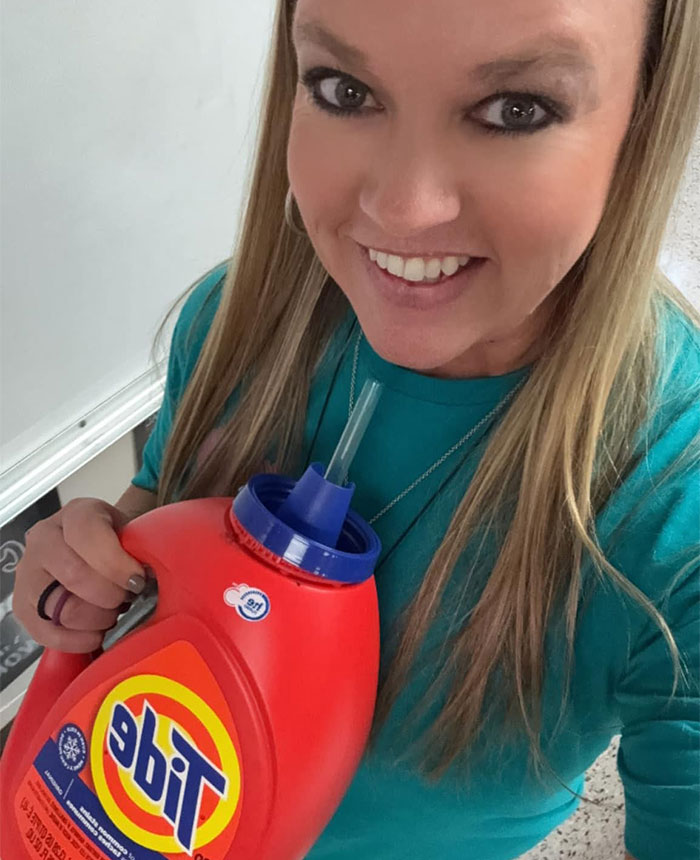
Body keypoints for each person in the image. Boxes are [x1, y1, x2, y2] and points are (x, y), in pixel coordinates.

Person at [12, 0, 699, 857]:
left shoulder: (677, 500)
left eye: (517, 108)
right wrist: (96, 564)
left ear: (648, 115)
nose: (405, 211)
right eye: (344, 89)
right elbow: (154, 509)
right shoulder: (236, 321)